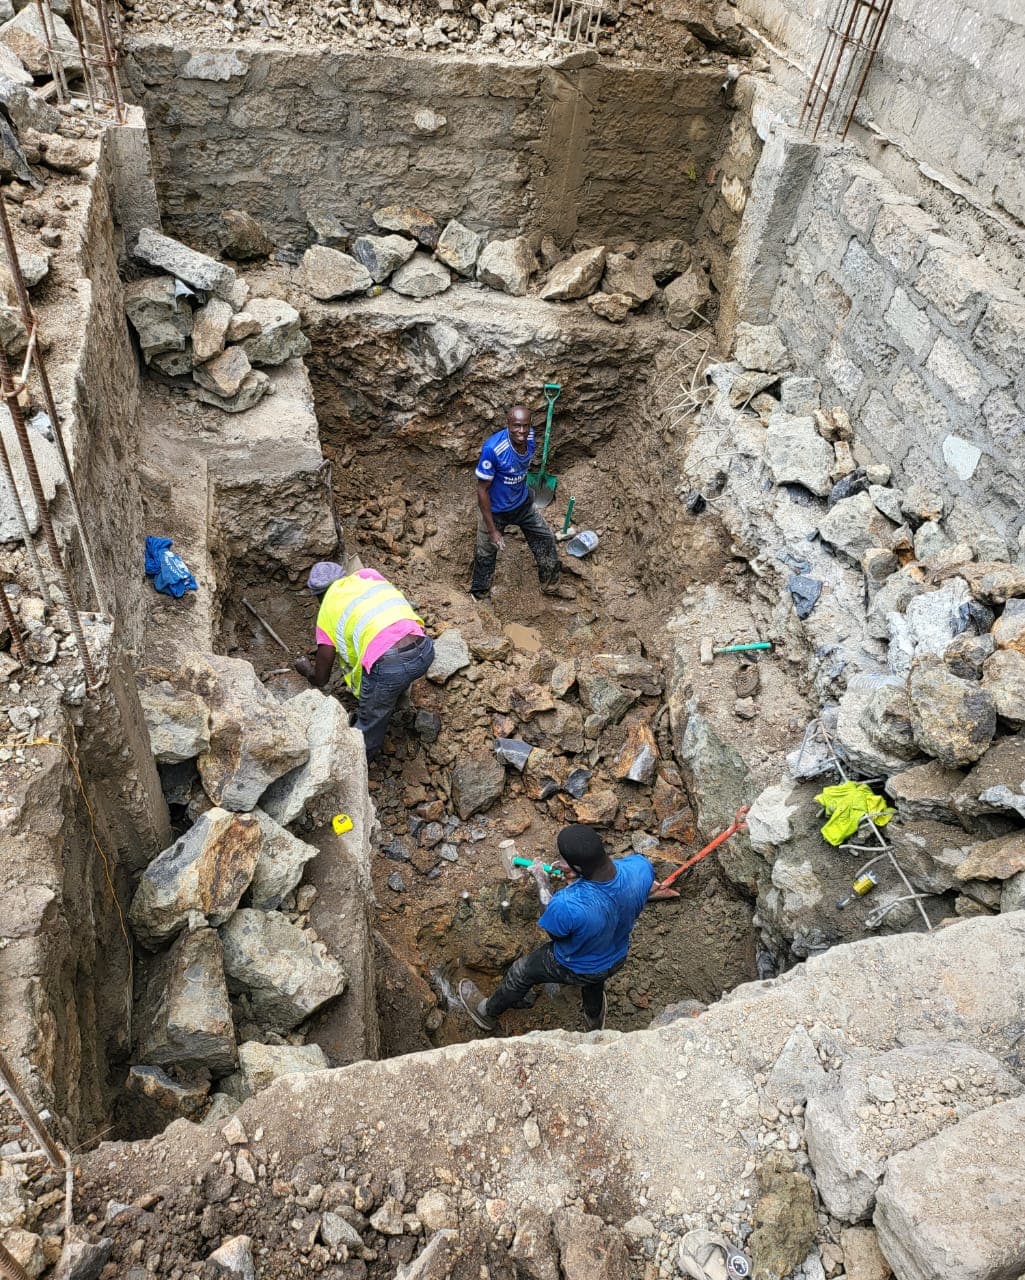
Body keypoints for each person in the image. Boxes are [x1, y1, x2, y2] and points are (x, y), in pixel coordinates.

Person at [459, 824, 657, 1033]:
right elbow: (610, 882)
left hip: (576, 965)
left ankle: (486, 1013)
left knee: (521, 972)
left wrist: (542, 882)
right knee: (595, 982)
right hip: (617, 955)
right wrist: (581, 877)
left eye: (564, 860)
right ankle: (594, 1020)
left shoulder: (567, 904)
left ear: (577, 867)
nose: (560, 864)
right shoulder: (641, 867)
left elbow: (555, 934)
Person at [295, 561, 434, 759]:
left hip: (390, 664)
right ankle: (396, 697)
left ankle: (357, 765)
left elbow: (322, 678)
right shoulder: (368, 575)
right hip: (424, 649)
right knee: (394, 675)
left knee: (369, 724)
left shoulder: (327, 608)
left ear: (318, 595)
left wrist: (308, 671)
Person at [470, 404, 569, 601]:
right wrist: (492, 530)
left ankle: (550, 586)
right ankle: (480, 596)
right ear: (507, 424)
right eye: (516, 426)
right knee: (486, 552)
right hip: (495, 510)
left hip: (522, 503)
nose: (521, 431)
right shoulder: (493, 449)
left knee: (545, 538)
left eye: (525, 426)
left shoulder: (530, 436)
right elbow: (482, 490)